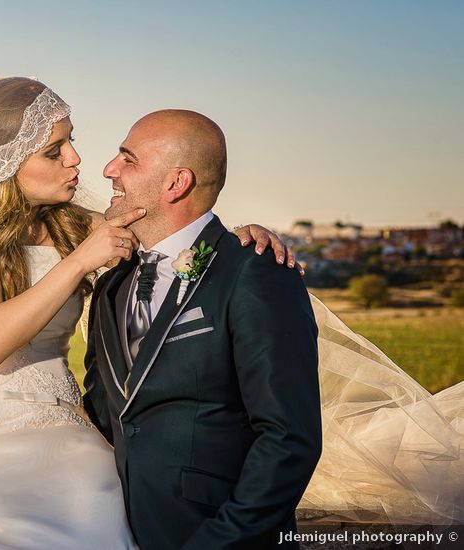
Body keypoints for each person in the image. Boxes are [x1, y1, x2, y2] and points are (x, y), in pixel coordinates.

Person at [0, 77, 295, 549]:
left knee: (97, 505)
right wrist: (79, 261)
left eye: (72, 140)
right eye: (54, 150)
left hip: (62, 428)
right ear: (6, 161)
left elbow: (171, 223)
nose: (75, 158)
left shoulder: (75, 223)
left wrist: (240, 236)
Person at [83, 109, 463, 550]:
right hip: (114, 529)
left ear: (176, 183)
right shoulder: (112, 283)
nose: (109, 169)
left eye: (127, 159)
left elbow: (288, 439)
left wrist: (217, 542)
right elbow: (103, 410)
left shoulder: (254, 271)